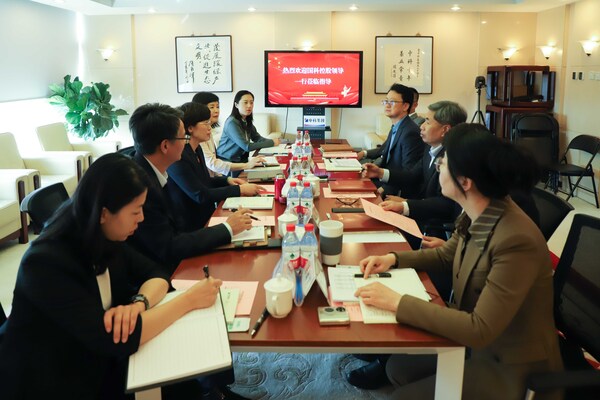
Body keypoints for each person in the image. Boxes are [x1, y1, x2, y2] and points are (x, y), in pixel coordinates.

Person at [353, 123, 563, 399]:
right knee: (398, 368)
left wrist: (397, 302)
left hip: (510, 364)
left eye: (443, 162)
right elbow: (446, 254)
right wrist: (393, 258)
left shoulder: (515, 240)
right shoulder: (481, 209)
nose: (438, 166)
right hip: (479, 342)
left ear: (465, 182)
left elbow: (479, 329)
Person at [0, 153, 225, 399]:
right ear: (104, 212)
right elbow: (115, 339)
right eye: (136, 211)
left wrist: (139, 303)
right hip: (54, 378)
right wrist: (189, 300)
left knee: (181, 366)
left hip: (97, 355)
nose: (141, 218)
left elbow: (156, 273)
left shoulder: (102, 233)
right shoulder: (46, 263)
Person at [126, 103, 252, 272]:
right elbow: (169, 246)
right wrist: (228, 228)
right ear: (165, 146)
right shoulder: (140, 186)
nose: (187, 142)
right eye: (183, 137)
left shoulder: (151, 169)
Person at [167, 102, 264, 231]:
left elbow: (204, 181)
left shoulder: (196, 149)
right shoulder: (179, 156)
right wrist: (239, 189)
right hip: (191, 225)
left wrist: (227, 180)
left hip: (207, 215)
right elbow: (200, 194)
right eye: (206, 123)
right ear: (190, 128)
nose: (210, 128)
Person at [355, 83, 424, 196]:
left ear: (405, 106)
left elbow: (409, 175)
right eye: (386, 101)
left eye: (392, 102)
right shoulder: (396, 127)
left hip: (397, 191)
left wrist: (382, 189)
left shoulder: (410, 132)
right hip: (384, 181)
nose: (387, 105)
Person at [192, 92, 264, 176]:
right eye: (212, 107)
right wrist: (247, 165)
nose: (216, 110)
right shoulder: (199, 135)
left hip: (217, 176)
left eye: (217, 107)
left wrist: (227, 180)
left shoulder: (209, 130)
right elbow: (212, 163)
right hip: (221, 170)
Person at [217, 90, 280, 177]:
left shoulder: (245, 119)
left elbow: (257, 138)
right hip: (228, 163)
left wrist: (275, 142)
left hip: (241, 161)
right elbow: (247, 147)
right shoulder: (232, 122)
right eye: (245, 102)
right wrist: (272, 142)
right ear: (236, 105)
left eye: (251, 102)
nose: (249, 105)